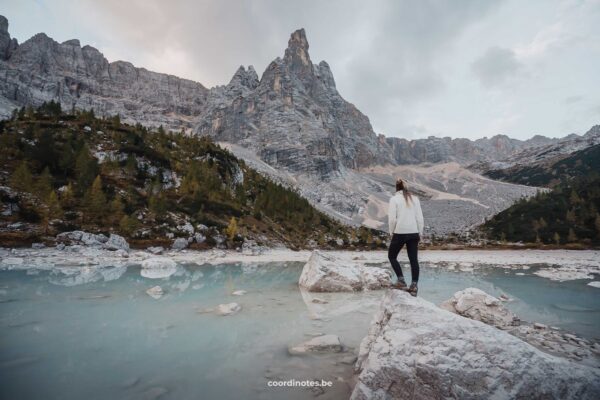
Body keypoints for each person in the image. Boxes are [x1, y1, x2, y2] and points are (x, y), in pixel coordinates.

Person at [387, 178, 424, 296]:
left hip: (399, 232)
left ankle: (401, 280)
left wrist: (391, 232)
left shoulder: (394, 199)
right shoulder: (415, 199)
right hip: (414, 233)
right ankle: (414, 286)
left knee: (392, 256)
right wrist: (420, 233)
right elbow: (419, 218)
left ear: (396, 188)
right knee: (413, 260)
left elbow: (392, 219)